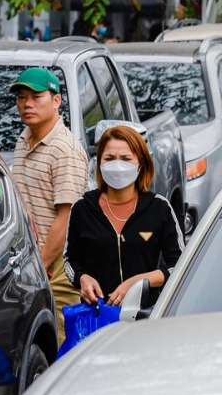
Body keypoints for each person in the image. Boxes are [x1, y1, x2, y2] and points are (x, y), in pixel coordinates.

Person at [64, 125, 184, 308]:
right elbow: (71, 261)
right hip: (99, 316)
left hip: (147, 315)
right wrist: (83, 278)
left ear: (140, 164)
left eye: (126, 159)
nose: (117, 165)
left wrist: (139, 282)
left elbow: (179, 264)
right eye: (109, 158)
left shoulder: (159, 208)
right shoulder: (82, 208)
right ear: (100, 163)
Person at [11, 68, 89, 344]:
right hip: (29, 259)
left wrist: (41, 264)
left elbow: (66, 218)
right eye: (21, 97)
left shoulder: (63, 149)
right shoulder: (25, 138)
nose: (27, 104)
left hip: (54, 264)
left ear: (56, 101)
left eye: (36, 96)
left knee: (58, 341)